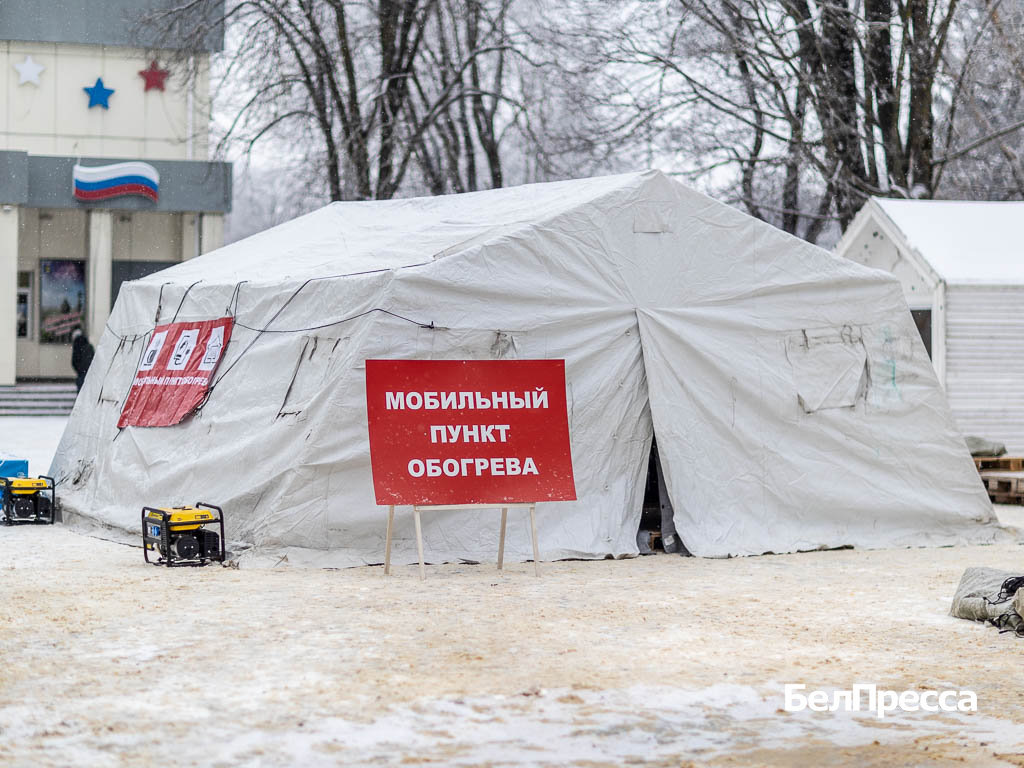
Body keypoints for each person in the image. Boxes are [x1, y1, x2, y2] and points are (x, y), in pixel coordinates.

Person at [71, 326, 95, 392]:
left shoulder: (77, 346)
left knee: (80, 392)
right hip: (89, 373)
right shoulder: (89, 345)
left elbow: (74, 361)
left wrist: (79, 370)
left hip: (81, 373)